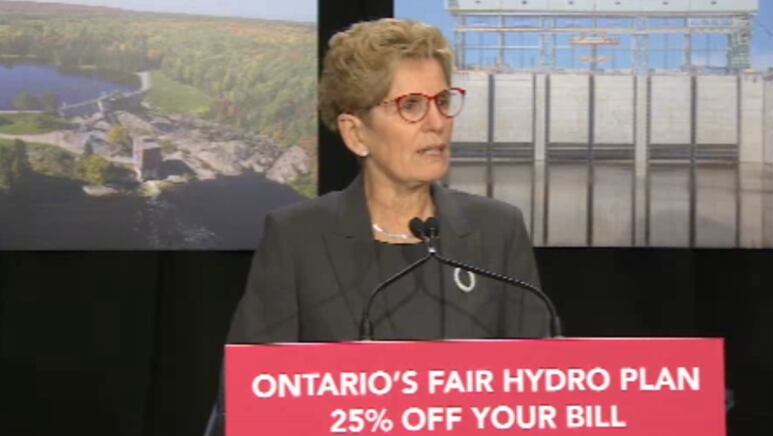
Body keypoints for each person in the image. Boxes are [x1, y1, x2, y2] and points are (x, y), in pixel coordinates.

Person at [205, 18, 549, 435]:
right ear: (356, 133)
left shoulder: (497, 230)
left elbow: (541, 394)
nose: (437, 122)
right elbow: (250, 400)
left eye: (442, 100)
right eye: (411, 105)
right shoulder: (298, 237)